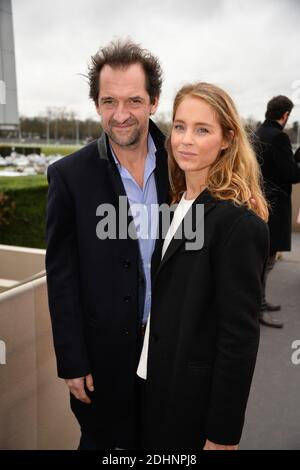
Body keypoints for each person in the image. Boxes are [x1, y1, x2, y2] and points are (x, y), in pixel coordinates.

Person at [45, 39, 168, 449]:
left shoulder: (185, 164)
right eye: (108, 101)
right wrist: (72, 360)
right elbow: (62, 278)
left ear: (153, 102)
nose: (120, 115)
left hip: (172, 351)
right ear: (96, 104)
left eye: (133, 100)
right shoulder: (69, 176)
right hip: (103, 359)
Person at [137, 82, 269, 450]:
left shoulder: (239, 225)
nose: (186, 140)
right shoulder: (176, 204)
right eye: (179, 126)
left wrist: (222, 435)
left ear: (227, 139)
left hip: (190, 403)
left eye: (202, 129)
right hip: (152, 381)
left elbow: (238, 339)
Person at [255, 96, 300, 328]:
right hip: (275, 208)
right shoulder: (280, 137)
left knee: (261, 260)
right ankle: (259, 308)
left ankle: (260, 302)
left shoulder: (256, 134)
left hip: (257, 206)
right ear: (285, 115)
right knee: (266, 262)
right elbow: (291, 174)